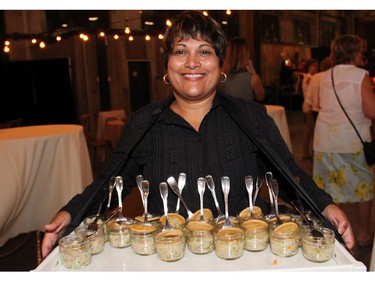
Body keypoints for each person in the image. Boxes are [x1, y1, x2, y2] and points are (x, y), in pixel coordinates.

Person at [41, 11, 354, 258]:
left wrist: (326, 206)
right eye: (181, 51)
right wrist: (70, 214)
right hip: (169, 258)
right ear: (167, 65)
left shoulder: (251, 117)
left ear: (220, 65)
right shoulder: (144, 124)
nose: (192, 62)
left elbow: (290, 174)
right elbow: (108, 186)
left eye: (204, 51)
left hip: (243, 257)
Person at [312, 34, 375, 247]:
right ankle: (365, 234)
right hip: (351, 141)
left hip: (324, 141)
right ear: (355, 52)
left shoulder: (323, 75)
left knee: (329, 189)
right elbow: (371, 109)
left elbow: (321, 104)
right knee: (362, 187)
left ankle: (335, 234)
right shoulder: (361, 75)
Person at [218, 36, 265, 102]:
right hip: (246, 112)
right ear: (246, 55)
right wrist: (253, 72)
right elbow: (260, 97)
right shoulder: (253, 79)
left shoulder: (219, 77)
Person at [305, 56, 334, 122]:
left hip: (316, 110)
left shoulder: (315, 77)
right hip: (331, 110)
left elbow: (309, 96)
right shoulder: (334, 76)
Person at [301, 58, 319, 160]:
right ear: (308, 67)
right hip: (309, 107)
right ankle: (307, 152)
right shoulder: (309, 78)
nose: (316, 68)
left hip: (308, 106)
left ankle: (306, 152)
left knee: (309, 130)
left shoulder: (311, 77)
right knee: (310, 130)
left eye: (317, 65)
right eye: (314, 66)